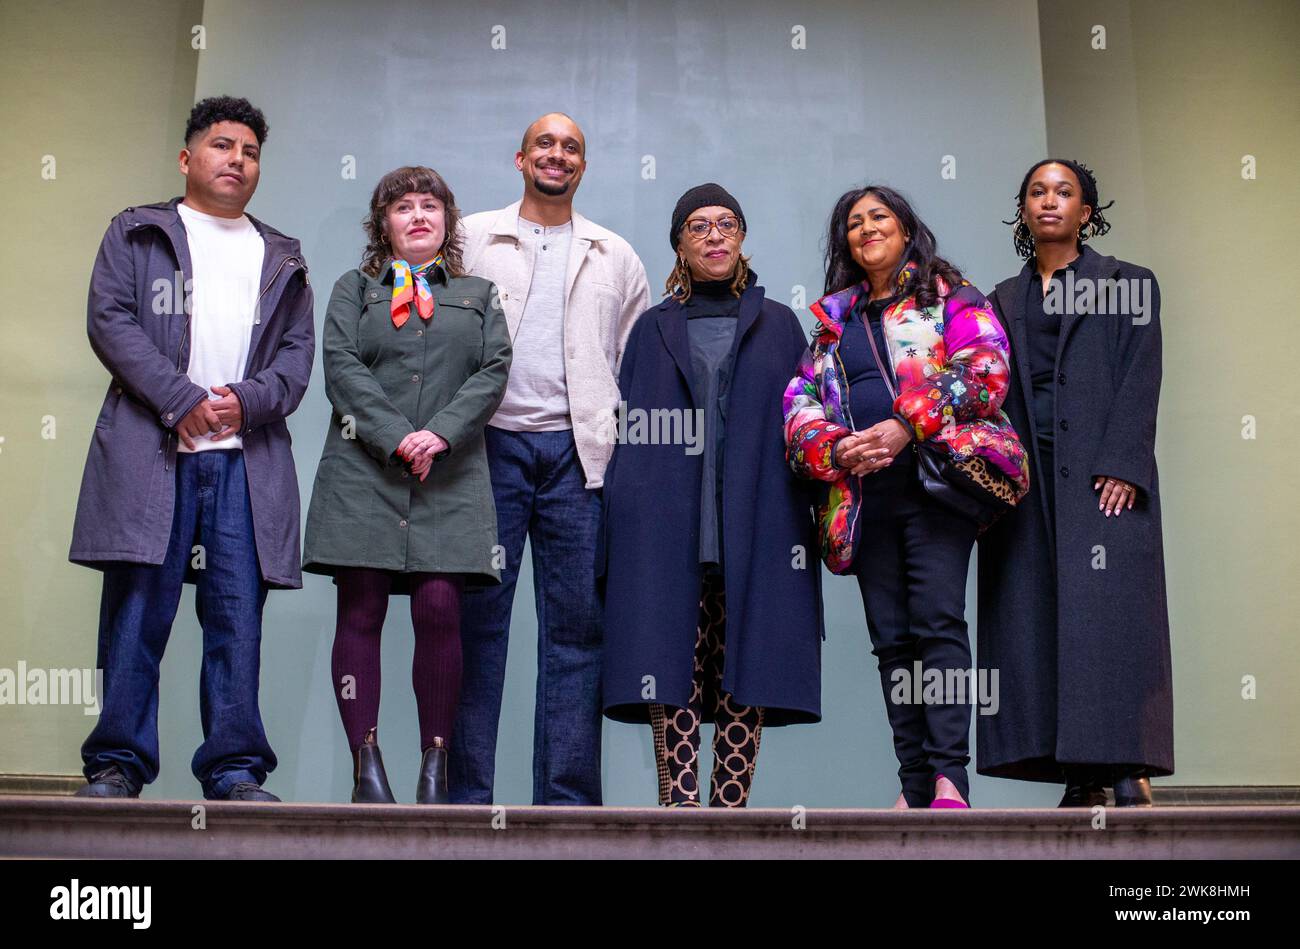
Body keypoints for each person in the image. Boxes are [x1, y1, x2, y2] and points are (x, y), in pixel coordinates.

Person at [69, 96, 315, 801]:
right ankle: (116, 763)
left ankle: (235, 770)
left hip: (246, 462)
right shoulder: (139, 231)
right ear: (187, 158)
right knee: (136, 616)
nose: (237, 159)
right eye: (222, 146)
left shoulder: (283, 256)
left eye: (250, 151)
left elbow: (296, 361)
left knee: (237, 620)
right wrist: (181, 400)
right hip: (154, 453)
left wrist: (244, 401)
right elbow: (110, 321)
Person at [783, 185, 1028, 809]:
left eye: (879, 217)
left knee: (937, 625)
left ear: (905, 229)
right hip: (865, 500)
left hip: (936, 488)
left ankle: (951, 780)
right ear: (846, 242)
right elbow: (798, 404)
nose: (867, 228)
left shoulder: (950, 295)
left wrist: (903, 425)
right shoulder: (833, 323)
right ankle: (913, 784)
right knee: (892, 640)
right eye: (854, 223)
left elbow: (985, 368)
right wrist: (836, 448)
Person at [600, 184, 823, 807]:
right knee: (667, 652)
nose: (714, 236)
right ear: (679, 244)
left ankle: (730, 813)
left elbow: (805, 419)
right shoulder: (651, 328)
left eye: (726, 224)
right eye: (697, 227)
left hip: (761, 515)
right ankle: (680, 807)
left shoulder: (780, 323)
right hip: (667, 517)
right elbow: (629, 428)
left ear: (743, 237)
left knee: (744, 657)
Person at [451, 113, 650, 805]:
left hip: (578, 460)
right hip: (485, 452)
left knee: (577, 636)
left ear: (582, 167)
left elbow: (634, 368)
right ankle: (465, 802)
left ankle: (567, 807)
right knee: (476, 631)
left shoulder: (615, 254)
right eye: (545, 143)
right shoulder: (470, 237)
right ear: (520, 157)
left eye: (571, 147)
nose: (556, 154)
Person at [302, 166, 511, 804]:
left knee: (441, 608)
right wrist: (397, 436)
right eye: (402, 207)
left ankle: (434, 769)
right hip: (363, 471)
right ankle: (367, 768)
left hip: (450, 473)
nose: (418, 216)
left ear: (447, 222)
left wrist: (438, 435)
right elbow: (340, 366)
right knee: (360, 605)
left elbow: (494, 368)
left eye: (430, 206)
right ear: (383, 224)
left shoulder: (479, 292)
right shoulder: (354, 289)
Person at [978, 159, 1173, 807]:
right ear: (1024, 210)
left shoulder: (1128, 283)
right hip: (1025, 482)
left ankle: (1127, 764)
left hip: (1102, 475)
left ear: (1087, 211)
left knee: (1112, 622)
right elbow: (987, 390)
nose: (1050, 201)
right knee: (1037, 623)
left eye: (1065, 192)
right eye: (1037, 192)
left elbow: (1140, 379)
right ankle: (1078, 774)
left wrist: (1122, 461)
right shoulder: (1000, 300)